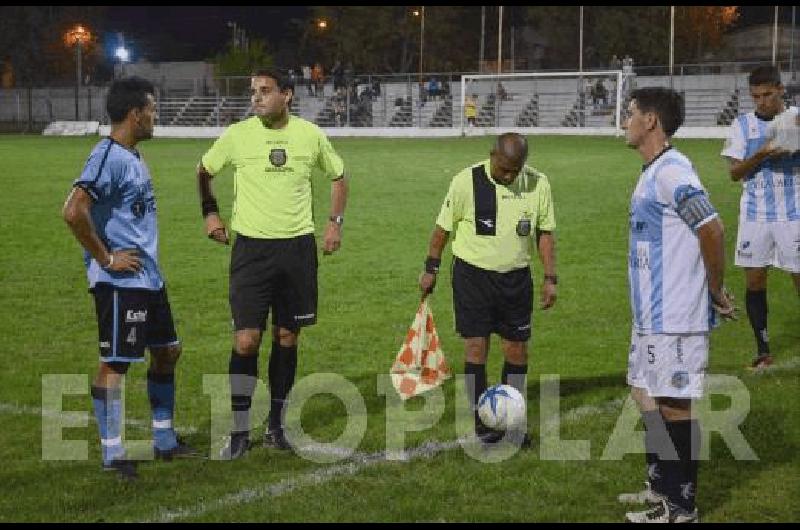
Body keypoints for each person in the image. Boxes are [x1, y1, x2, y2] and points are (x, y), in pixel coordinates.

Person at [196, 69, 348, 459]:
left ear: (287, 95)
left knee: (287, 337)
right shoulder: (238, 134)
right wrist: (210, 213)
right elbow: (204, 171)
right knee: (246, 340)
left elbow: (339, 176)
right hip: (251, 251)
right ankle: (239, 429)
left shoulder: (310, 135)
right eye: (253, 92)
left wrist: (334, 223)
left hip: (297, 249)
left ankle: (277, 426)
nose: (256, 98)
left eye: (265, 91)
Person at [62, 76, 195, 480]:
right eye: (152, 109)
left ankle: (164, 440)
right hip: (121, 282)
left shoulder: (133, 155)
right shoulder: (108, 155)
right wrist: (106, 259)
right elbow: (73, 211)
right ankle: (113, 453)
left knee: (168, 351)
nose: (156, 116)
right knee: (116, 364)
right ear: (135, 114)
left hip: (148, 277)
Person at [617, 87, 735, 523]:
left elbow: (712, 228)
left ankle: (681, 507)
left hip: (675, 315)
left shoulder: (673, 171)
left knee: (674, 405)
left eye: (630, 114)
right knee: (643, 390)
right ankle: (660, 486)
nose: (624, 121)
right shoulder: (653, 170)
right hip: (649, 315)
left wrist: (717, 291)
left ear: (650, 121)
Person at [418, 133, 557, 448]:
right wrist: (430, 268)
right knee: (476, 349)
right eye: (504, 169)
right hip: (472, 277)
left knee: (516, 350)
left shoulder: (538, 183)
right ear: (492, 155)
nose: (509, 176)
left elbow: (545, 233)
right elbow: (442, 229)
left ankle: (511, 421)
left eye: (515, 170)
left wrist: (551, 277)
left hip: (515, 279)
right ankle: (483, 422)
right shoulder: (465, 181)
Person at [720, 65, 800, 369]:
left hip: (794, 213)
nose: (761, 102)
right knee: (755, 282)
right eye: (755, 96)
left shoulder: (796, 118)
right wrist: (763, 153)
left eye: (767, 94)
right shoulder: (742, 126)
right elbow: (734, 173)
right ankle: (763, 350)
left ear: (780, 89)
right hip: (755, 215)